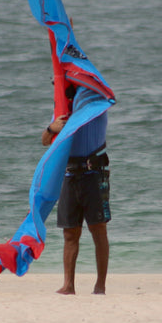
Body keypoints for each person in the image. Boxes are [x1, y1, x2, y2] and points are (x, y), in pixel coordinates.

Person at [42, 87, 110, 295]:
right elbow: (45, 141)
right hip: (69, 175)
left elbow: (102, 94)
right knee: (70, 232)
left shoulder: (97, 105)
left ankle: (100, 285)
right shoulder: (61, 112)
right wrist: (51, 128)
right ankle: (68, 285)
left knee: (98, 229)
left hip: (93, 174)